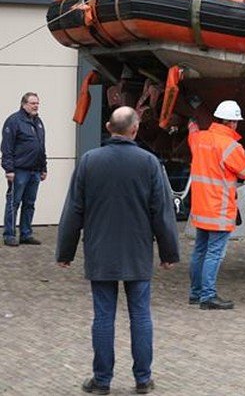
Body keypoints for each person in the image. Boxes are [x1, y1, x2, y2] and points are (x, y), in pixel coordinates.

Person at [56, 106, 180, 395]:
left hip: (100, 251)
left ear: (110, 128)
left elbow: (74, 209)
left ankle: (101, 381)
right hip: (137, 251)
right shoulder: (149, 163)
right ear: (134, 130)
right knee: (140, 315)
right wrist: (168, 252)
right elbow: (161, 211)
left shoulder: (89, 161)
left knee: (103, 317)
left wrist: (66, 251)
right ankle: (143, 379)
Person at [188, 100, 245, 309]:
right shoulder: (230, 146)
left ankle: (196, 294)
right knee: (214, 253)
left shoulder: (199, 139)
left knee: (200, 251)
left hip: (200, 207)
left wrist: (193, 119)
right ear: (233, 123)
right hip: (219, 209)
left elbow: (192, 132)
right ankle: (208, 296)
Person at [3, 92, 47, 247]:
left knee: (29, 203)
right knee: (13, 203)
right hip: (19, 171)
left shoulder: (38, 122)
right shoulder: (14, 121)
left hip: (35, 171)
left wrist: (43, 168)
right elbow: (6, 147)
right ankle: (9, 234)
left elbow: (41, 147)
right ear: (24, 104)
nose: (36, 106)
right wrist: (8, 169)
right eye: (32, 103)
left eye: (37, 103)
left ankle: (26, 234)